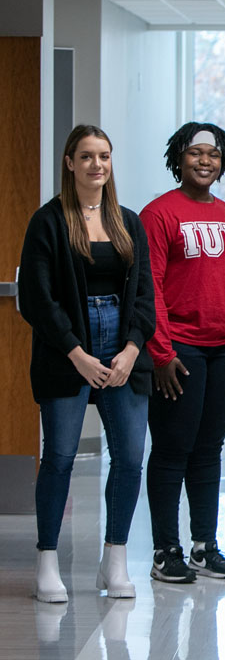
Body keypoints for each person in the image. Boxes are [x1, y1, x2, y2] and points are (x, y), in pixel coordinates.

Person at [19, 124, 155, 603]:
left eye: (104, 156)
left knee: (131, 458)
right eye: (87, 157)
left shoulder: (128, 222)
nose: (97, 165)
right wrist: (76, 354)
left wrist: (132, 350)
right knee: (58, 458)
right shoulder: (50, 221)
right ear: (70, 163)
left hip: (122, 350)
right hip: (67, 351)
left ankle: (113, 563)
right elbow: (38, 299)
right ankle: (47, 562)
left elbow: (143, 295)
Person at [140, 122, 225, 584]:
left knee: (210, 451)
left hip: (224, 350)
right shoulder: (158, 214)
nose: (204, 160)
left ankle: (203, 547)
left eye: (213, 153)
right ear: (179, 158)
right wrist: (162, 353)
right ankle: (164, 550)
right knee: (172, 450)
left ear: (222, 160)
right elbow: (148, 288)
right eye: (195, 153)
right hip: (179, 352)